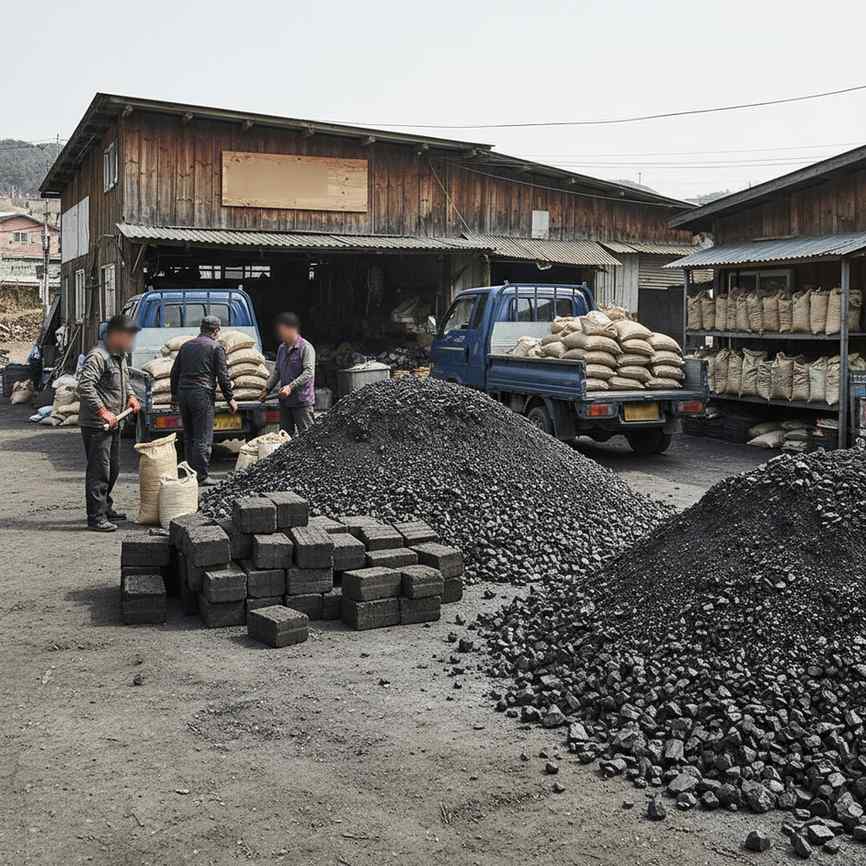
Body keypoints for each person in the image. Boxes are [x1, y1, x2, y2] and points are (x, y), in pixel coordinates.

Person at [78, 314, 142, 532]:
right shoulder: (98, 356)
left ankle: (106, 507)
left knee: (113, 468)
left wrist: (132, 397)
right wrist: (103, 411)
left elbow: (124, 382)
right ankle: (95, 517)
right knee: (99, 470)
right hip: (98, 424)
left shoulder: (119, 356)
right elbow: (85, 386)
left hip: (116, 421)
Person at [170, 316, 238, 486]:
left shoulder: (186, 346)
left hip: (184, 394)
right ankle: (201, 476)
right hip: (202, 394)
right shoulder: (216, 348)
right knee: (203, 436)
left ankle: (189, 473)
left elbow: (174, 372)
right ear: (215, 331)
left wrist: (174, 397)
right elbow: (223, 376)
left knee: (189, 436)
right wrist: (230, 398)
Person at [261, 312, 316, 435]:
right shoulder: (282, 348)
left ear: (292, 329)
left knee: (307, 436)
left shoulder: (305, 348)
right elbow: (277, 371)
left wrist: (290, 387)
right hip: (285, 401)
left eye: (282, 331)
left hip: (302, 401)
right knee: (285, 436)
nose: (280, 335)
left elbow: (309, 372)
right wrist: (267, 388)